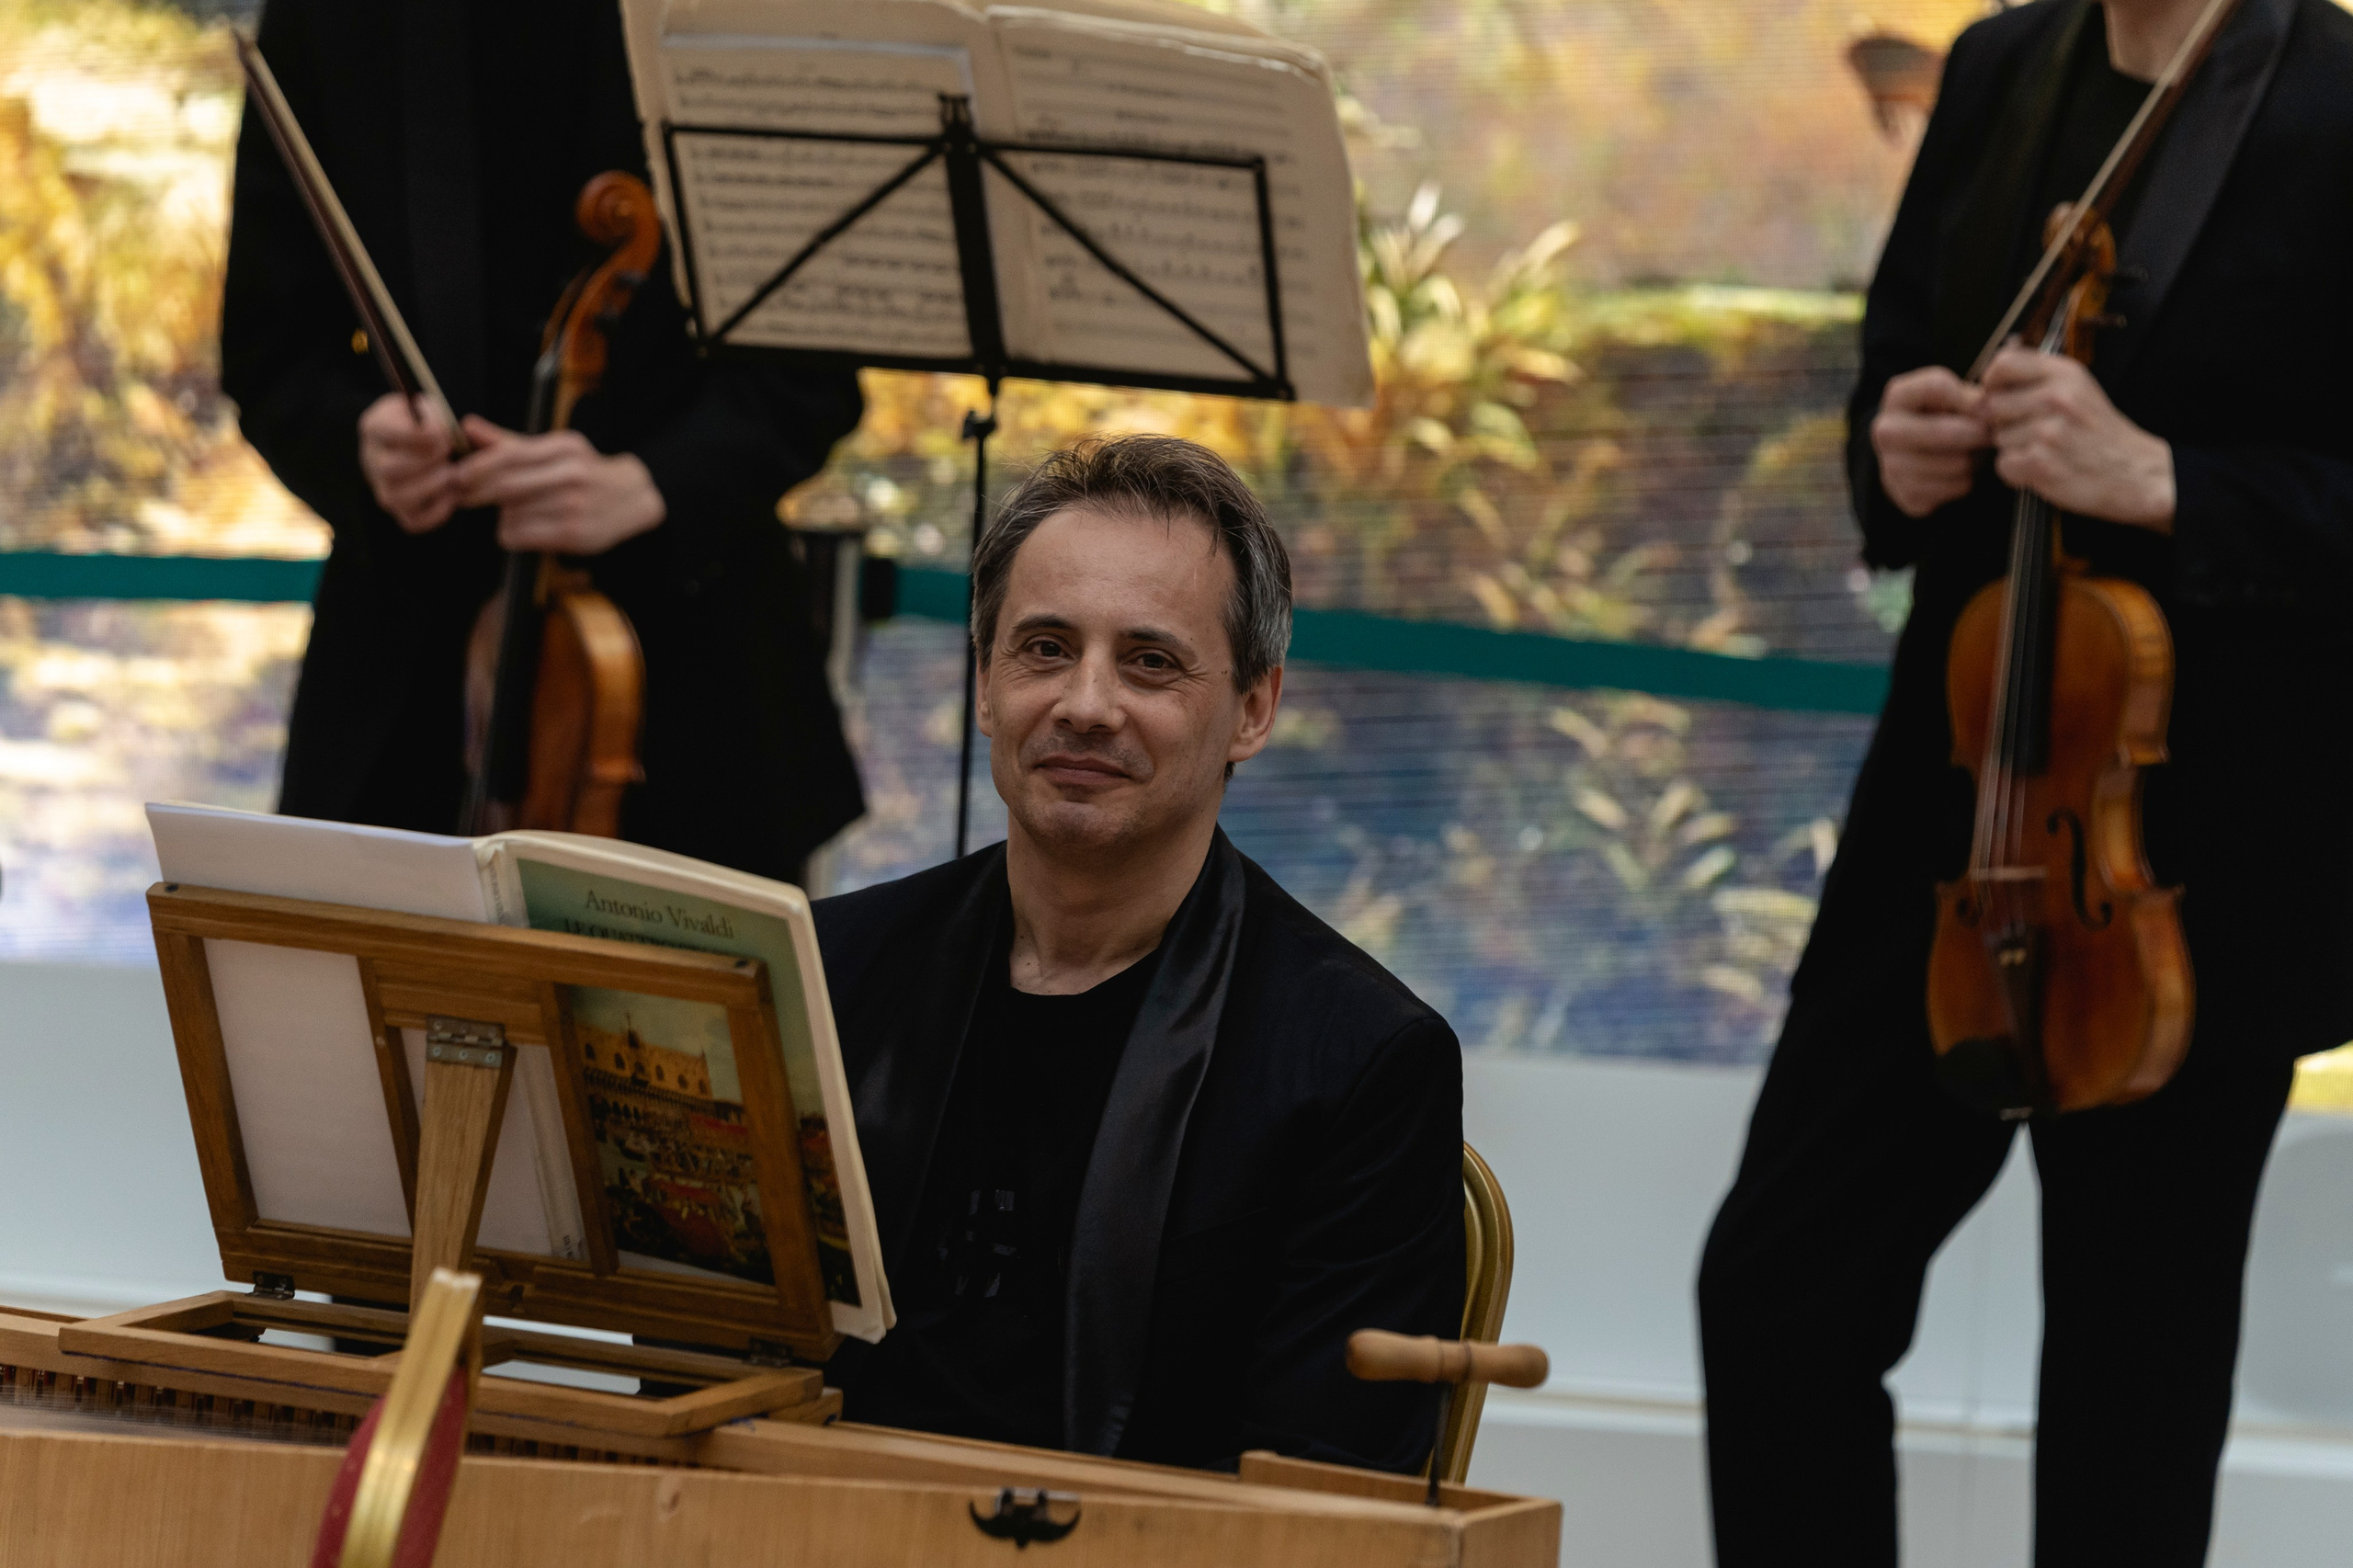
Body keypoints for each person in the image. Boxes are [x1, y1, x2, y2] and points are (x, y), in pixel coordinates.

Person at [1697, 0, 2353, 1562]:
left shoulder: (2338, 101)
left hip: (2195, 864)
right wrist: (1899, 451)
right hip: (1958, 799)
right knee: (1779, 1288)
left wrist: (2168, 481)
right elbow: (1903, 366)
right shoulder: (2003, 63)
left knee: (2134, 1387)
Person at [813, 437, 1465, 1471]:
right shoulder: (826, 969)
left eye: (1150, 661)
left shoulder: (1360, 1061)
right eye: (1042, 647)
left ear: (1253, 708)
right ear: (984, 685)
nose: (1084, 703)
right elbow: (709, 1356)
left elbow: (1330, 1486)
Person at [220, 0, 866, 881]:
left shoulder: (743, 16)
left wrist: (658, 484)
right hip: (400, 684)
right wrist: (358, 442)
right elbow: (270, 353)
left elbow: (814, 368)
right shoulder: (333, 16)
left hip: (697, 679)